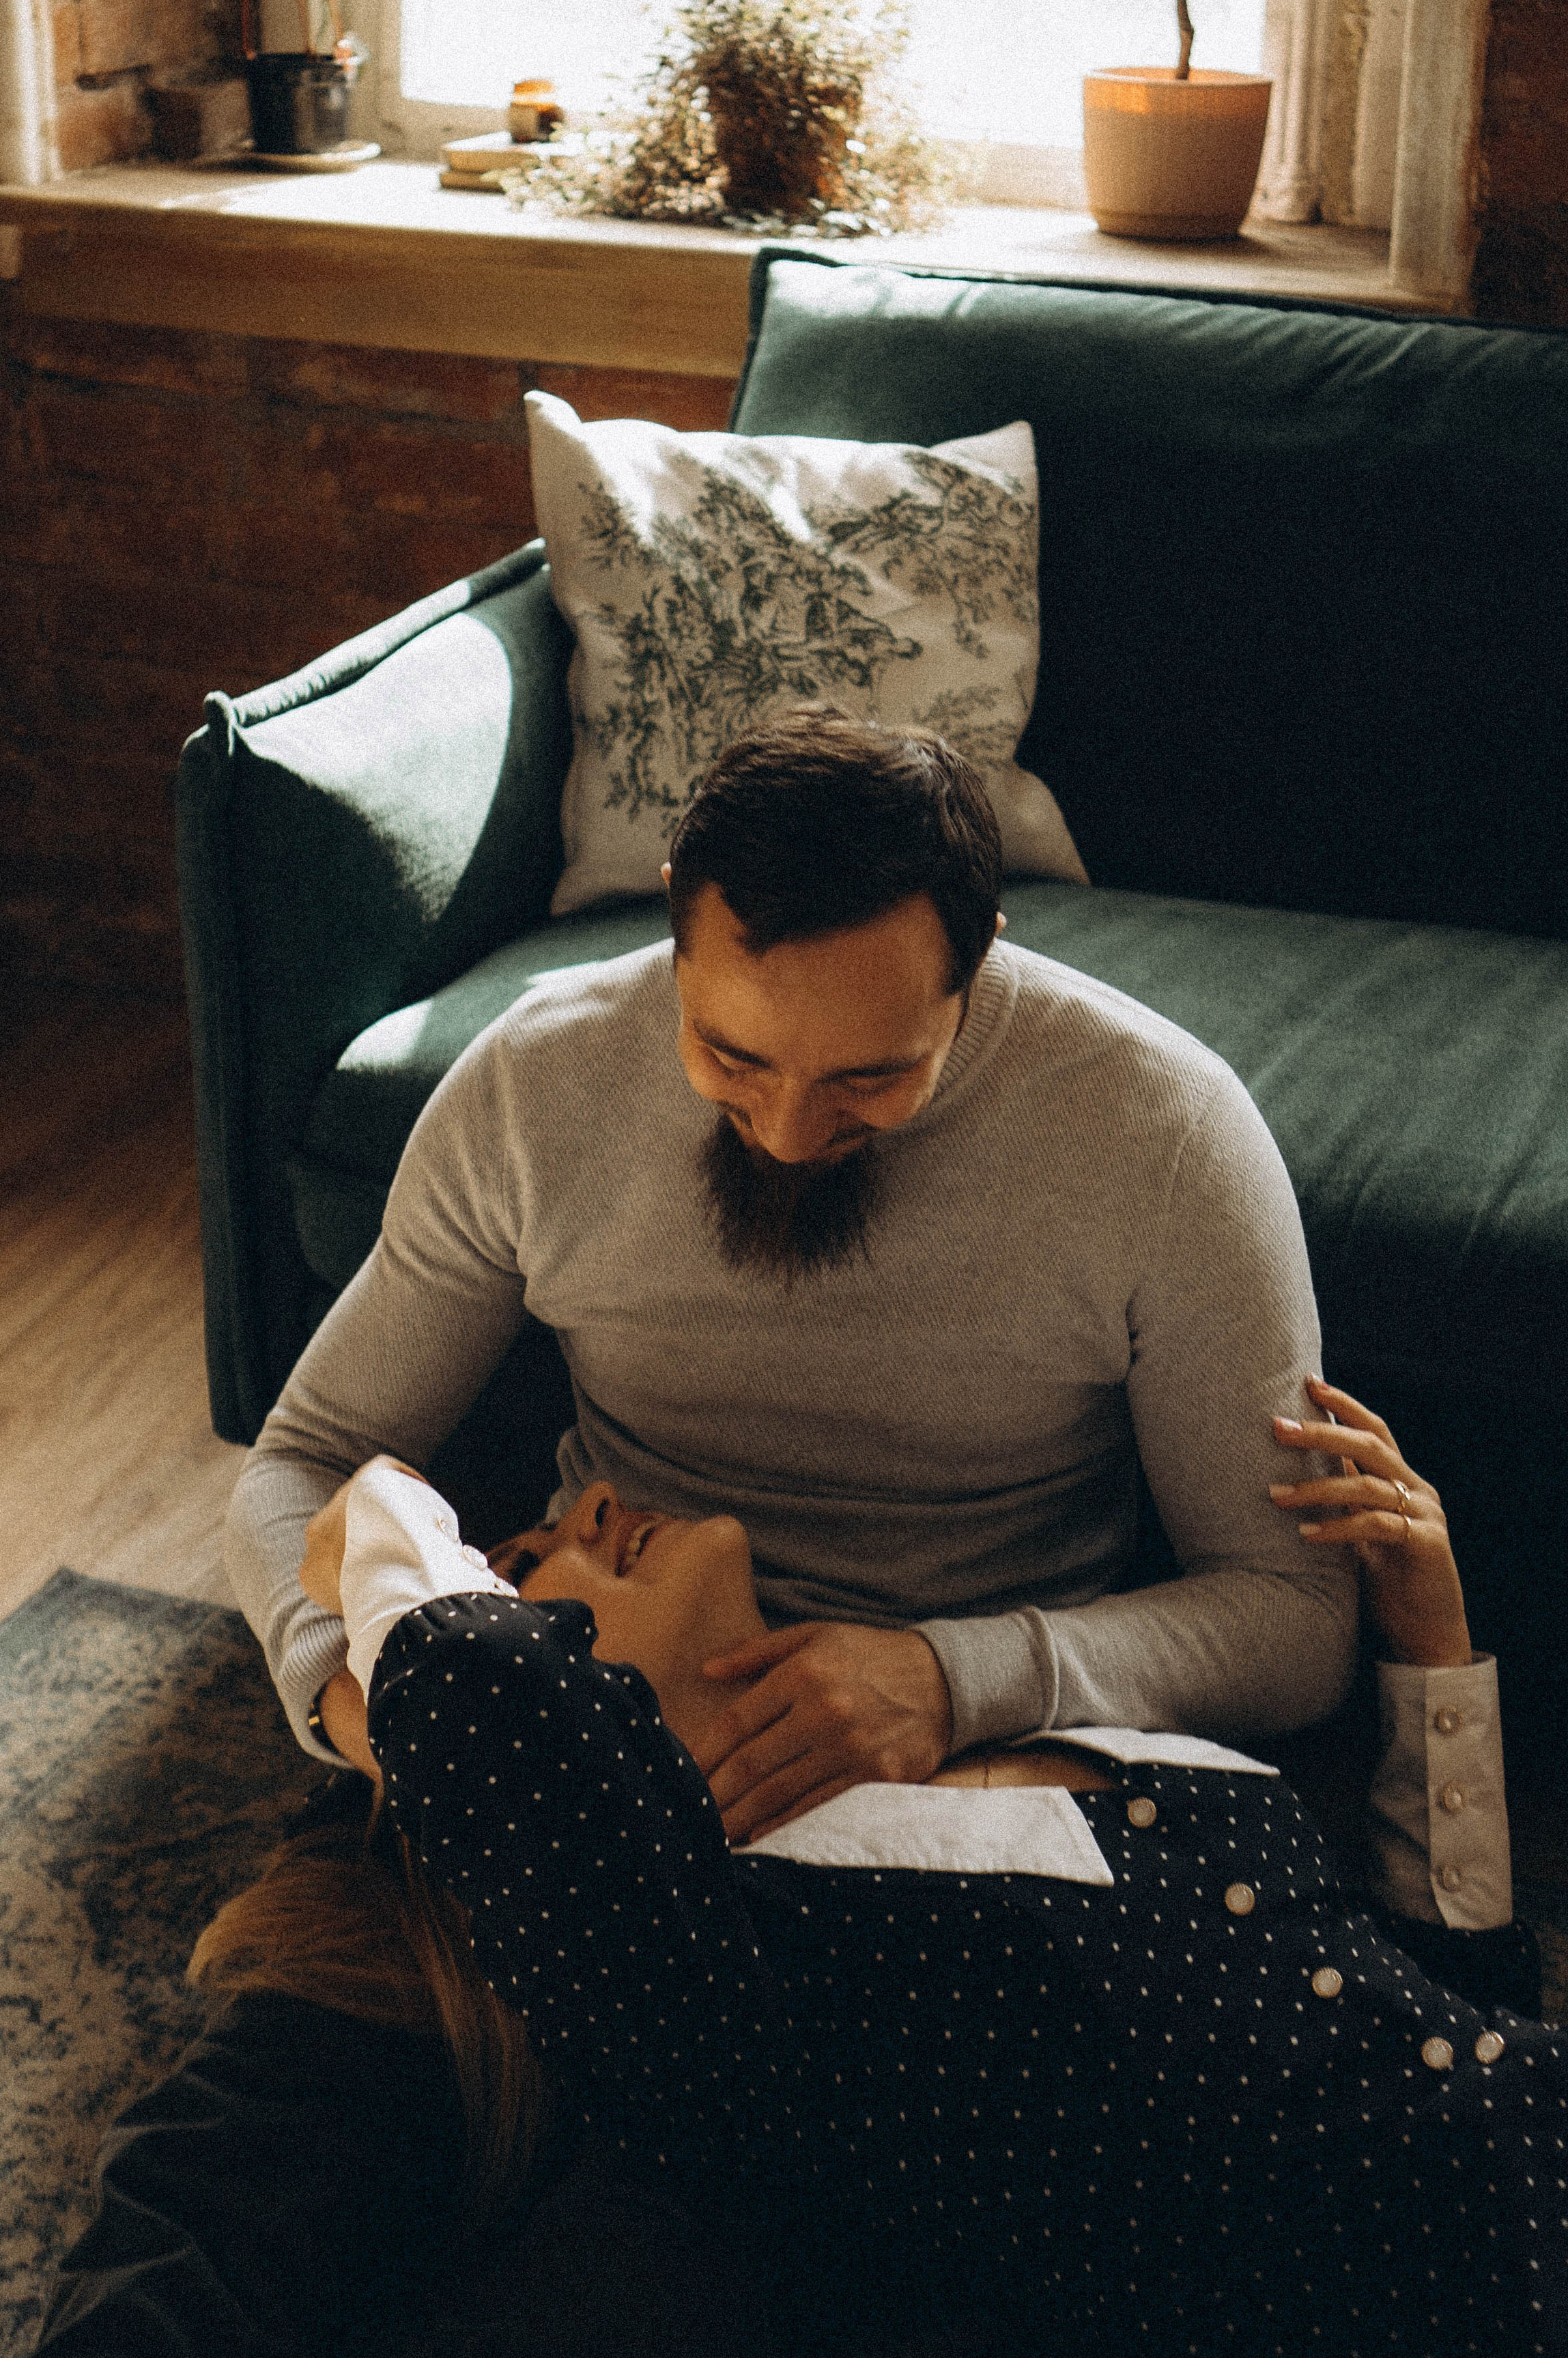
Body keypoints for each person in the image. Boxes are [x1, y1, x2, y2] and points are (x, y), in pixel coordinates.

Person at [39, 1395, 1568, 2355]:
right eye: (525, 1557)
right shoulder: (723, 1974)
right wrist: (376, 1535)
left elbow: (1440, 2018)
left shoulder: (1015, 1744)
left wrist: (1429, 1658)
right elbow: (491, 1707)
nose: (586, 1507)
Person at [228, 707, 1359, 1841]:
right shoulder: (535, 1084)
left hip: (973, 1757)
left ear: (980, 956)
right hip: (596, 1726)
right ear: (676, 921)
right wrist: (361, 1716)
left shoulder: (1166, 1133)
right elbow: (304, 1459)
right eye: (730, 1055)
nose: (783, 1129)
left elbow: (1296, 1617)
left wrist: (954, 1679)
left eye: (871, 1077)